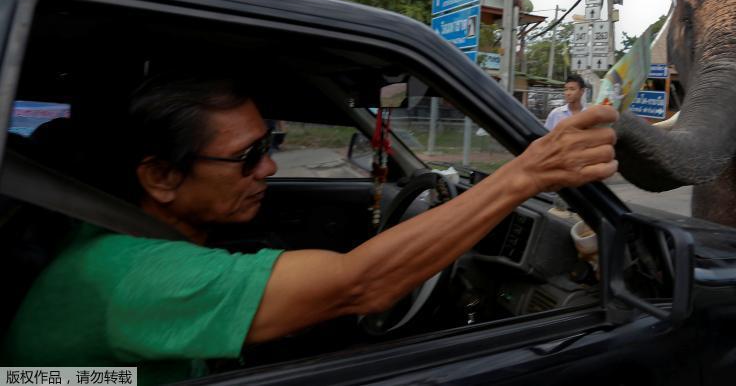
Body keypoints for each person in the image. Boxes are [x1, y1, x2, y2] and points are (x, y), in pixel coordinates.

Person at [2, 75, 618, 383]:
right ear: (161, 177)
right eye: (247, 156)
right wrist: (525, 173)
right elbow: (359, 286)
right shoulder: (139, 279)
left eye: (270, 144)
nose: (269, 165)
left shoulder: (113, 245)